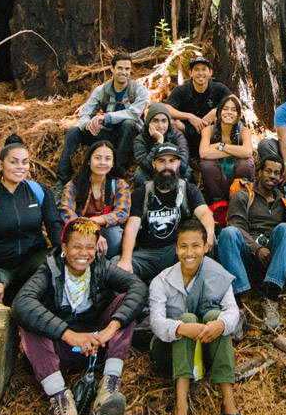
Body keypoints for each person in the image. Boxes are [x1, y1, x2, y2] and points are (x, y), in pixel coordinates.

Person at [11, 218, 147, 415]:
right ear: (64, 248)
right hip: (62, 349)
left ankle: (109, 386)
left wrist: (110, 329)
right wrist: (69, 335)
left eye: (89, 248)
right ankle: (61, 401)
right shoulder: (49, 269)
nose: (83, 254)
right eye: (76, 247)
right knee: (29, 324)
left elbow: (137, 287)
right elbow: (21, 304)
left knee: (125, 304)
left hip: (96, 344)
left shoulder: (101, 266)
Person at [148, 218, 249, 415]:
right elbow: (155, 322)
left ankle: (229, 405)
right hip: (169, 356)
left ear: (205, 247)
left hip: (204, 352)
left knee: (217, 317)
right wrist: (183, 328)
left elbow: (232, 312)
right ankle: (180, 411)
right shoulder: (161, 281)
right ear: (176, 249)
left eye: (196, 246)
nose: (189, 252)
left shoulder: (218, 275)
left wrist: (220, 325)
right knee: (186, 319)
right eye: (183, 246)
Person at [0, 134, 61, 303]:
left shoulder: (40, 192)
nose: (20, 167)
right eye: (14, 162)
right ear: (0, 164)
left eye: (25, 162)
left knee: (58, 267)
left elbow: (55, 228)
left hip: (32, 263)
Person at [215, 155, 286, 332]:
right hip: (247, 259)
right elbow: (236, 225)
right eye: (268, 171)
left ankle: (271, 300)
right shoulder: (243, 195)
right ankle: (237, 306)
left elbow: (285, 238)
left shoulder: (282, 202)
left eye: (277, 173)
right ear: (259, 173)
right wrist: (257, 248)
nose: (272, 176)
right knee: (228, 233)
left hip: (271, 261)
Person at [119, 143, 217, 283]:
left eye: (171, 161)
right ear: (154, 164)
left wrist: (209, 232)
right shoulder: (141, 193)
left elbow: (205, 214)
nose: (167, 166)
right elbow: (132, 227)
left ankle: (199, 284)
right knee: (117, 263)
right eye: (161, 161)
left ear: (178, 164)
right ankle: (140, 289)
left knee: (206, 241)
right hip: (148, 255)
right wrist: (126, 260)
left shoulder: (189, 190)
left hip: (177, 252)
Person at [56, 52, 150, 183]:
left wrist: (105, 117)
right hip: (109, 132)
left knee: (128, 123)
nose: (124, 72)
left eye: (127, 69)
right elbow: (85, 114)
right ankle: (63, 179)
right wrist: (87, 125)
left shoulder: (139, 90)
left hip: (131, 134)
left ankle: (117, 172)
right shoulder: (102, 90)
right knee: (73, 132)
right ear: (112, 69)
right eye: (120, 68)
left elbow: (134, 114)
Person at [59, 141, 132, 259]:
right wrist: (89, 231)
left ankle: (105, 265)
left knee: (115, 233)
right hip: (78, 231)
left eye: (107, 159)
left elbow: (122, 213)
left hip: (105, 233)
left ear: (113, 163)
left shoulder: (119, 185)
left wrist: (95, 221)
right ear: (89, 161)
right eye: (98, 158)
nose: (102, 163)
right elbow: (66, 212)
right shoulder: (74, 185)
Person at [199, 94, 256, 212]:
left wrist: (221, 146)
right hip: (217, 182)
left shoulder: (244, 131)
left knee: (246, 162)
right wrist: (235, 151)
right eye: (225, 109)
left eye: (233, 110)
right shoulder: (209, 130)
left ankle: (241, 199)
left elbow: (247, 152)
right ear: (219, 113)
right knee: (207, 164)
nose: (229, 113)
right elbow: (204, 153)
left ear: (239, 115)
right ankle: (218, 203)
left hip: (237, 180)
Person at [165, 55, 232, 135]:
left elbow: (235, 102)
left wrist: (216, 111)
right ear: (190, 73)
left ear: (210, 72)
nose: (200, 73)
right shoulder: (181, 90)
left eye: (204, 69)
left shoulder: (218, 88)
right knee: (170, 121)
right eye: (196, 70)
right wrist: (189, 116)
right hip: (186, 132)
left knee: (231, 117)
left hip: (212, 132)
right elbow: (166, 109)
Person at [131, 103, 191, 188]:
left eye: (164, 121)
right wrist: (159, 142)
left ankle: (179, 197)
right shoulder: (140, 139)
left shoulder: (177, 136)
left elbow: (183, 164)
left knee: (186, 171)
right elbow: (146, 166)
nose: (160, 125)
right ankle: (148, 198)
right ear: (149, 123)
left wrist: (167, 168)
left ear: (168, 122)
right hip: (152, 173)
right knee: (139, 175)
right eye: (155, 121)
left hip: (172, 172)